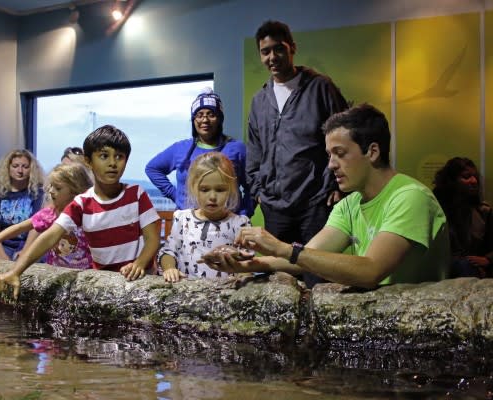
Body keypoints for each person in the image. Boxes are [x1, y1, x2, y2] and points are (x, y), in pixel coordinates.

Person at [206, 104, 450, 289]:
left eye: (340, 153)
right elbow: (305, 258)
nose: (331, 165)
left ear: (372, 152)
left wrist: (282, 247)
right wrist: (245, 265)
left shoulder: (410, 197)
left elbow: (371, 271)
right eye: (329, 155)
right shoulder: (350, 204)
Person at [0, 125, 161, 298]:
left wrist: (139, 264)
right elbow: (50, 235)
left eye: (119, 157)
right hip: (104, 284)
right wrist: (16, 271)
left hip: (139, 282)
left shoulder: (136, 194)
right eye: (104, 156)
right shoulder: (81, 203)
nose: (112, 163)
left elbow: (153, 239)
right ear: (88, 161)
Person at [247, 20, 348, 288]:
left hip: (314, 202)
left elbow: (342, 137)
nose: (272, 57)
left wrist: (338, 185)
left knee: (317, 275)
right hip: (274, 206)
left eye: (278, 49)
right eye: (265, 51)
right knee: (275, 280)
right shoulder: (259, 100)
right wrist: (258, 189)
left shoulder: (321, 88)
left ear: (292, 48)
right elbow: (254, 148)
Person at [145, 88, 253, 216]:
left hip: (228, 223)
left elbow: (252, 185)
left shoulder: (237, 148)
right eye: (199, 115)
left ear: (219, 119)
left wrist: (245, 212)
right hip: (188, 225)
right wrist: (176, 196)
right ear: (193, 120)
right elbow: (152, 168)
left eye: (211, 114)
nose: (205, 120)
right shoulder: (181, 149)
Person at [0, 163, 93, 269]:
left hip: (84, 271)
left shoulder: (88, 214)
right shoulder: (50, 214)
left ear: (75, 190)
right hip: (56, 270)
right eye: (51, 186)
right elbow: (20, 227)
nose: (51, 191)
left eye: (58, 188)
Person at [158, 152, 251, 282]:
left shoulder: (240, 224)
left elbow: (247, 265)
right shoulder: (183, 219)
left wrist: (244, 275)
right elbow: (168, 251)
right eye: (205, 189)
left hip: (225, 295)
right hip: (188, 293)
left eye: (220, 190)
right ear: (193, 188)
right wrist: (169, 268)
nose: (212, 197)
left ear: (230, 189)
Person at [433, 157, 493, 278]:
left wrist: (488, 259)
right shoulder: (435, 209)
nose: (474, 181)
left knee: (464, 266)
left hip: (472, 269)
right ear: (451, 181)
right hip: (441, 266)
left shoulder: (484, 212)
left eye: (475, 176)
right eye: (466, 177)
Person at [0, 149, 46, 261]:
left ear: (31, 169)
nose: (20, 170)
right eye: (15, 166)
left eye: (25, 167)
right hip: (3, 246)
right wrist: (2, 257)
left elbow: (36, 226)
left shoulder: (38, 194)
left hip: (30, 245)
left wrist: (26, 252)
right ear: (8, 168)